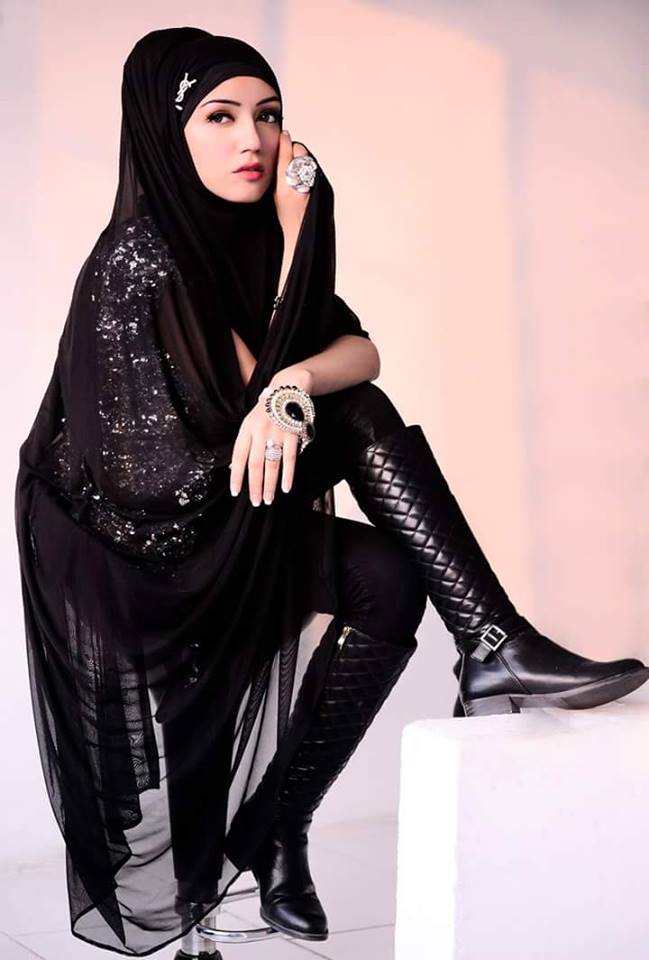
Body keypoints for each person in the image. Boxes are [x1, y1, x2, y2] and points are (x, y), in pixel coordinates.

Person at [14, 27, 648, 957]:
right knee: (348, 413)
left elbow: (357, 351)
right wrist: (294, 303)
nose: (253, 141)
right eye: (220, 117)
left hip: (219, 502)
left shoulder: (244, 237)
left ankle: (287, 813)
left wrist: (292, 375)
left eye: (267, 115)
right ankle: (492, 643)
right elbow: (204, 436)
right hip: (135, 546)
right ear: (164, 131)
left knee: (387, 574)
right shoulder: (139, 257)